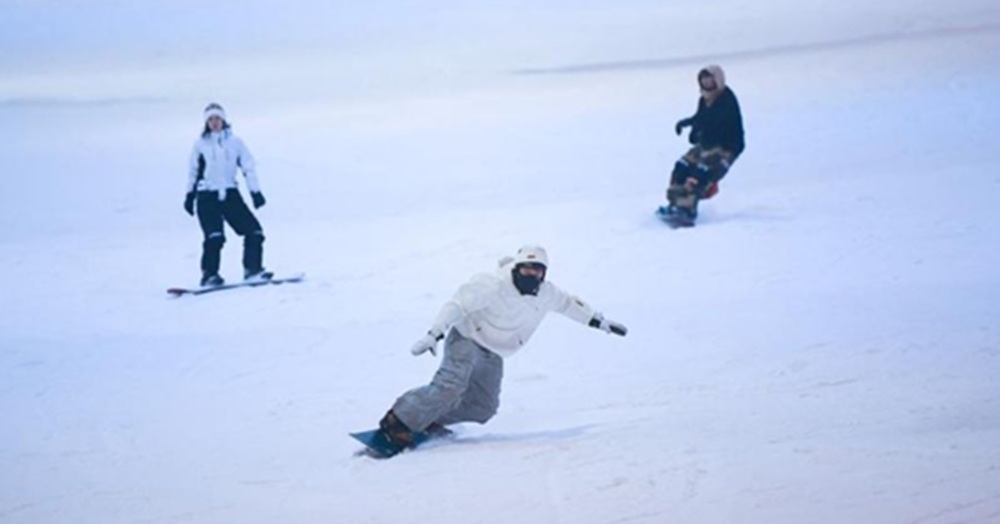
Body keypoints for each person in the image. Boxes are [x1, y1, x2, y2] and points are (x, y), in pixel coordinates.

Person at [374, 245, 628, 453]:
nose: (532, 274)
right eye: (527, 268)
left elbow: (570, 304)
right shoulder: (492, 285)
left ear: (544, 274)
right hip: (468, 337)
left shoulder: (546, 293)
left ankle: (430, 420)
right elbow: (456, 305)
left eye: (538, 270)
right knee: (451, 386)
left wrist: (598, 321)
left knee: (483, 407)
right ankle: (396, 420)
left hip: (494, 352)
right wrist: (434, 333)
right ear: (517, 268)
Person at [184, 103, 271, 286]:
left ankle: (253, 269)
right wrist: (189, 196)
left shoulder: (236, 143)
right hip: (207, 195)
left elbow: (248, 167)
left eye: (217, 119)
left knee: (254, 231)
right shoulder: (200, 145)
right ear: (206, 122)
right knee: (214, 237)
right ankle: (209, 275)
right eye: (210, 119)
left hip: (230, 194)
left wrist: (255, 192)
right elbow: (193, 171)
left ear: (223, 120)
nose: (214, 123)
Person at [661, 65, 745, 225]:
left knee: (700, 173)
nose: (706, 82)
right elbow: (701, 118)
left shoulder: (726, 99)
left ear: (718, 80)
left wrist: (698, 128)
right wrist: (689, 126)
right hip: (707, 144)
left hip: (727, 146)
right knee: (681, 167)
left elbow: (715, 122)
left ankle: (688, 209)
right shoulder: (704, 99)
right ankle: (676, 203)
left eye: (710, 78)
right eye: (703, 79)